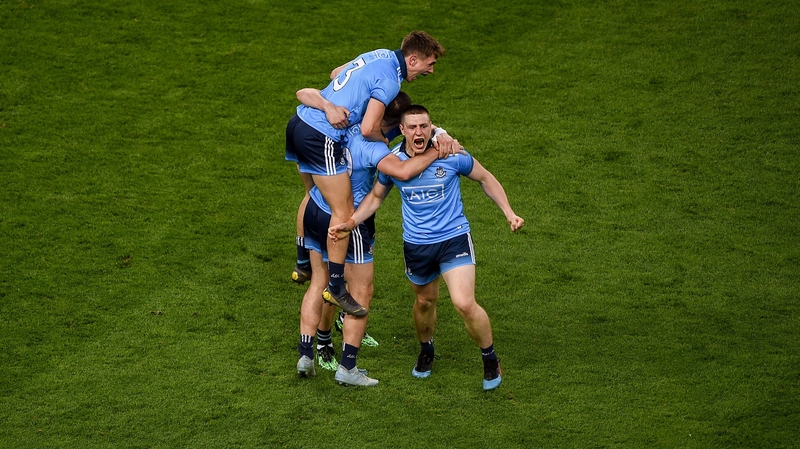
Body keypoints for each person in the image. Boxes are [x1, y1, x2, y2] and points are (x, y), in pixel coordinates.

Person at [329, 105, 524, 391]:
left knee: (463, 303)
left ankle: (490, 358)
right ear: (403, 131)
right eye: (413, 127)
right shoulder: (393, 163)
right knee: (424, 302)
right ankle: (426, 349)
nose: (419, 132)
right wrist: (351, 222)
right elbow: (375, 197)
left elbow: (485, 178)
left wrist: (509, 212)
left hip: (453, 238)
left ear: (432, 127)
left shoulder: (452, 154)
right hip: (417, 245)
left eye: (424, 126)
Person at [296, 94, 457, 386]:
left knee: (321, 281)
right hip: (350, 217)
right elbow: (405, 171)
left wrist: (440, 131)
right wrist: (438, 149)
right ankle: (348, 367)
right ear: (395, 123)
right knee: (359, 290)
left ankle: (308, 352)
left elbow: (302, 157)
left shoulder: (347, 121)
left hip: (316, 207)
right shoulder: (376, 149)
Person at [285, 31, 445, 317]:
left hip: (299, 123)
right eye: (428, 64)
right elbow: (369, 128)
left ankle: (302, 261)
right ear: (412, 59)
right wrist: (384, 145)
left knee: (313, 194)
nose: (430, 71)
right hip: (320, 135)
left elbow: (336, 72)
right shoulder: (391, 80)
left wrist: (334, 103)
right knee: (344, 209)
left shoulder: (380, 54)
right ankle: (335, 284)